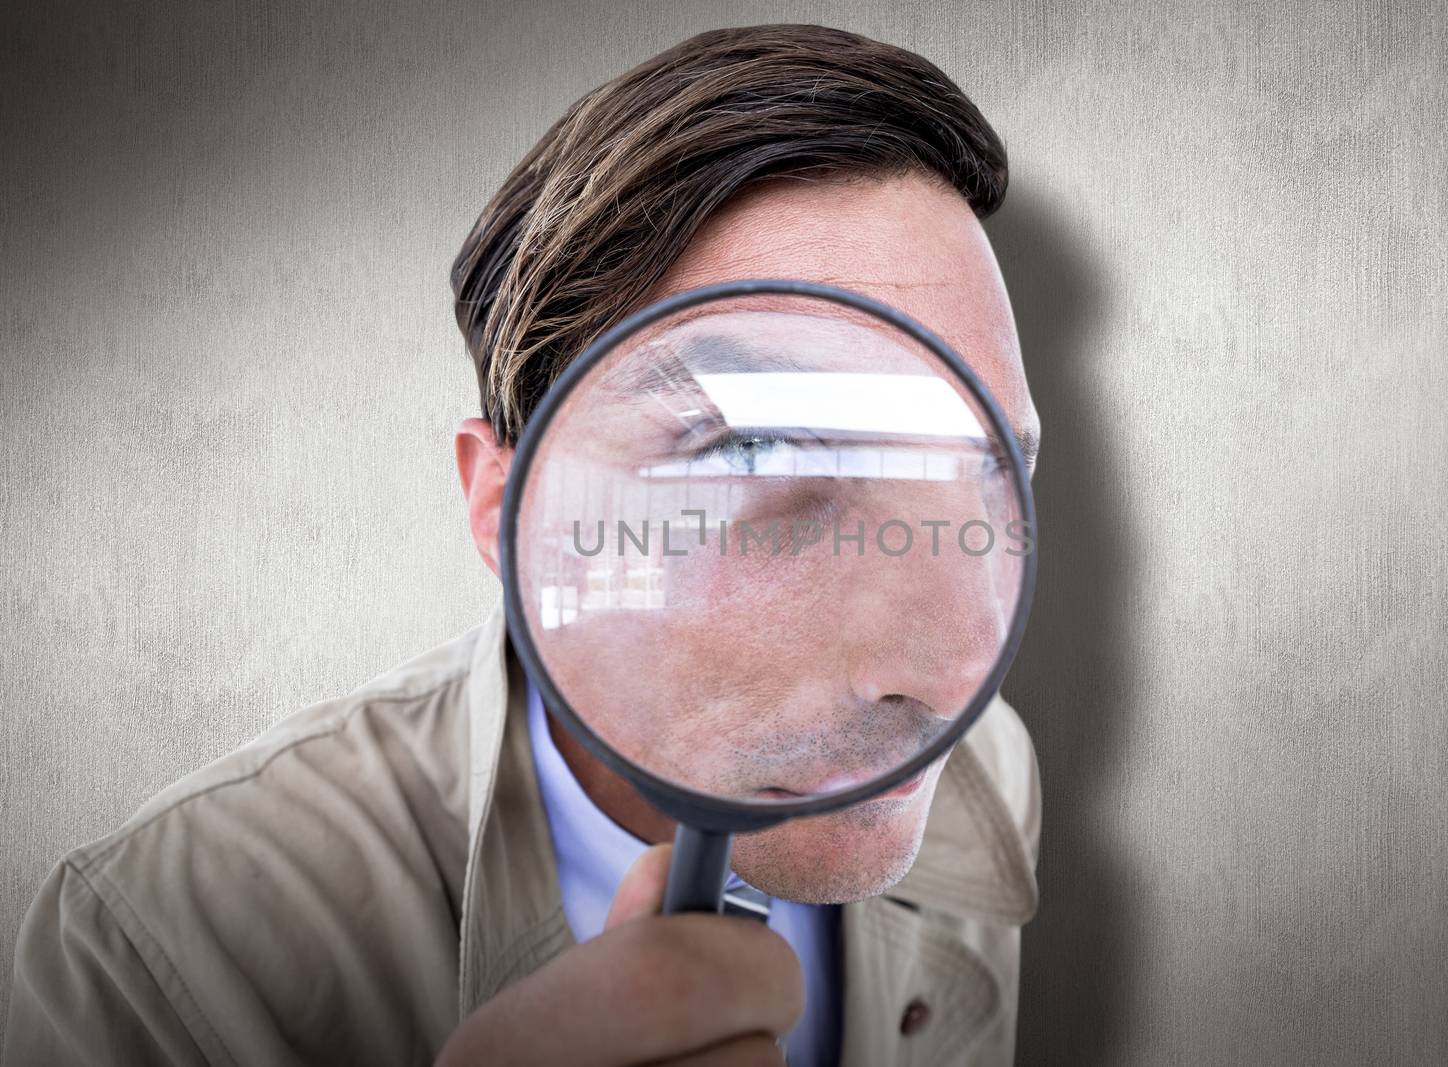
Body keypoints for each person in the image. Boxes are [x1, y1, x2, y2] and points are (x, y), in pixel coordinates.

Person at [5, 23, 1042, 1067]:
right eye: (756, 452)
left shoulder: (983, 773)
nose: (956, 670)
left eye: (991, 464)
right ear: (503, 505)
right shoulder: (157, 948)